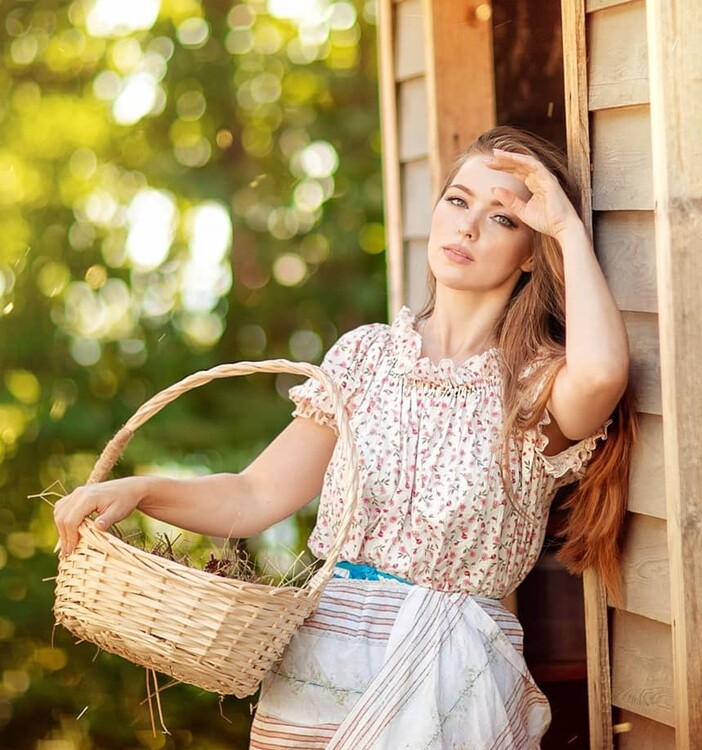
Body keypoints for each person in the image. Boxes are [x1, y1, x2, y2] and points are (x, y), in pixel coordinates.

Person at [54, 126, 636, 749]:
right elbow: (254, 496)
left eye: (503, 218)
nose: (467, 227)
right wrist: (142, 490)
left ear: (531, 251)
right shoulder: (364, 358)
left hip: (449, 682)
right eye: (458, 201)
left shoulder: (535, 385)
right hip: (317, 673)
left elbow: (604, 372)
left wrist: (566, 227)